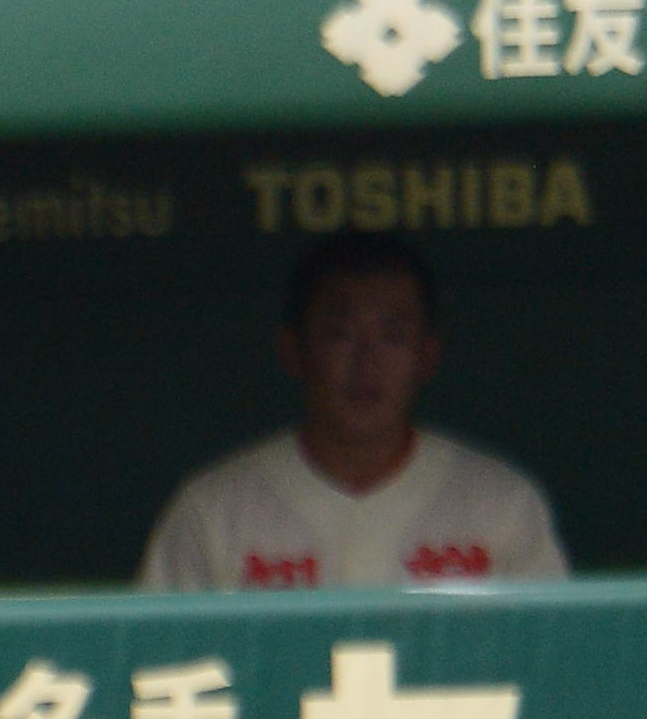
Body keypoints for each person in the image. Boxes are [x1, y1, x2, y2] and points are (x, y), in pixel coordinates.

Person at [137, 235, 567, 592]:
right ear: (294, 351)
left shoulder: (503, 505)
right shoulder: (213, 511)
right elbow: (160, 663)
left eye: (393, 337)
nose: (367, 363)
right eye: (340, 335)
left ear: (427, 356)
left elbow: (553, 661)